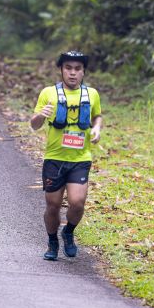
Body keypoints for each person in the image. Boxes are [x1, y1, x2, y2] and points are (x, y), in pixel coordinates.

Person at [30, 51, 102, 261]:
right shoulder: (48, 93)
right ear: (61, 70)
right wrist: (40, 115)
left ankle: (68, 232)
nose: (72, 73)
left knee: (77, 202)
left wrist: (97, 128)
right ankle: (52, 241)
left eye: (77, 69)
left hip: (80, 158)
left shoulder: (92, 94)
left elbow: (97, 116)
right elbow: (34, 125)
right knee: (53, 205)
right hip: (54, 158)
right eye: (68, 68)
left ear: (83, 72)